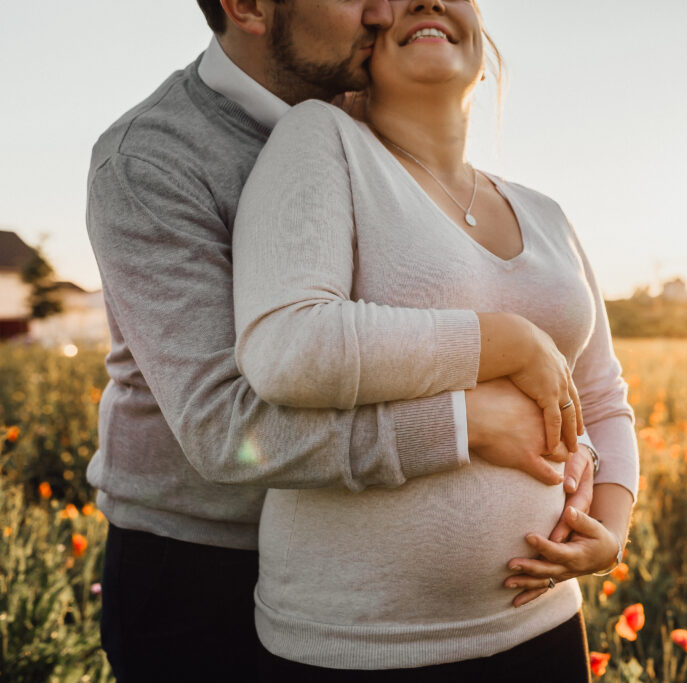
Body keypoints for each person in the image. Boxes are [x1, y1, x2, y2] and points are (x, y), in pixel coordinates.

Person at [84, 1, 598, 680]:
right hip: (200, 564)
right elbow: (223, 429)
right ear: (248, 8)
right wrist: (462, 422)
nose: (385, 9)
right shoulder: (150, 161)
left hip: (378, 574)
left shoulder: (369, 113)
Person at [230, 0, 639, 680]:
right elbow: (289, 344)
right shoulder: (323, 140)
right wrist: (503, 341)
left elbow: (603, 394)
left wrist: (612, 526)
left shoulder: (546, 213)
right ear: (365, 40)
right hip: (359, 647)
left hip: (545, 625)